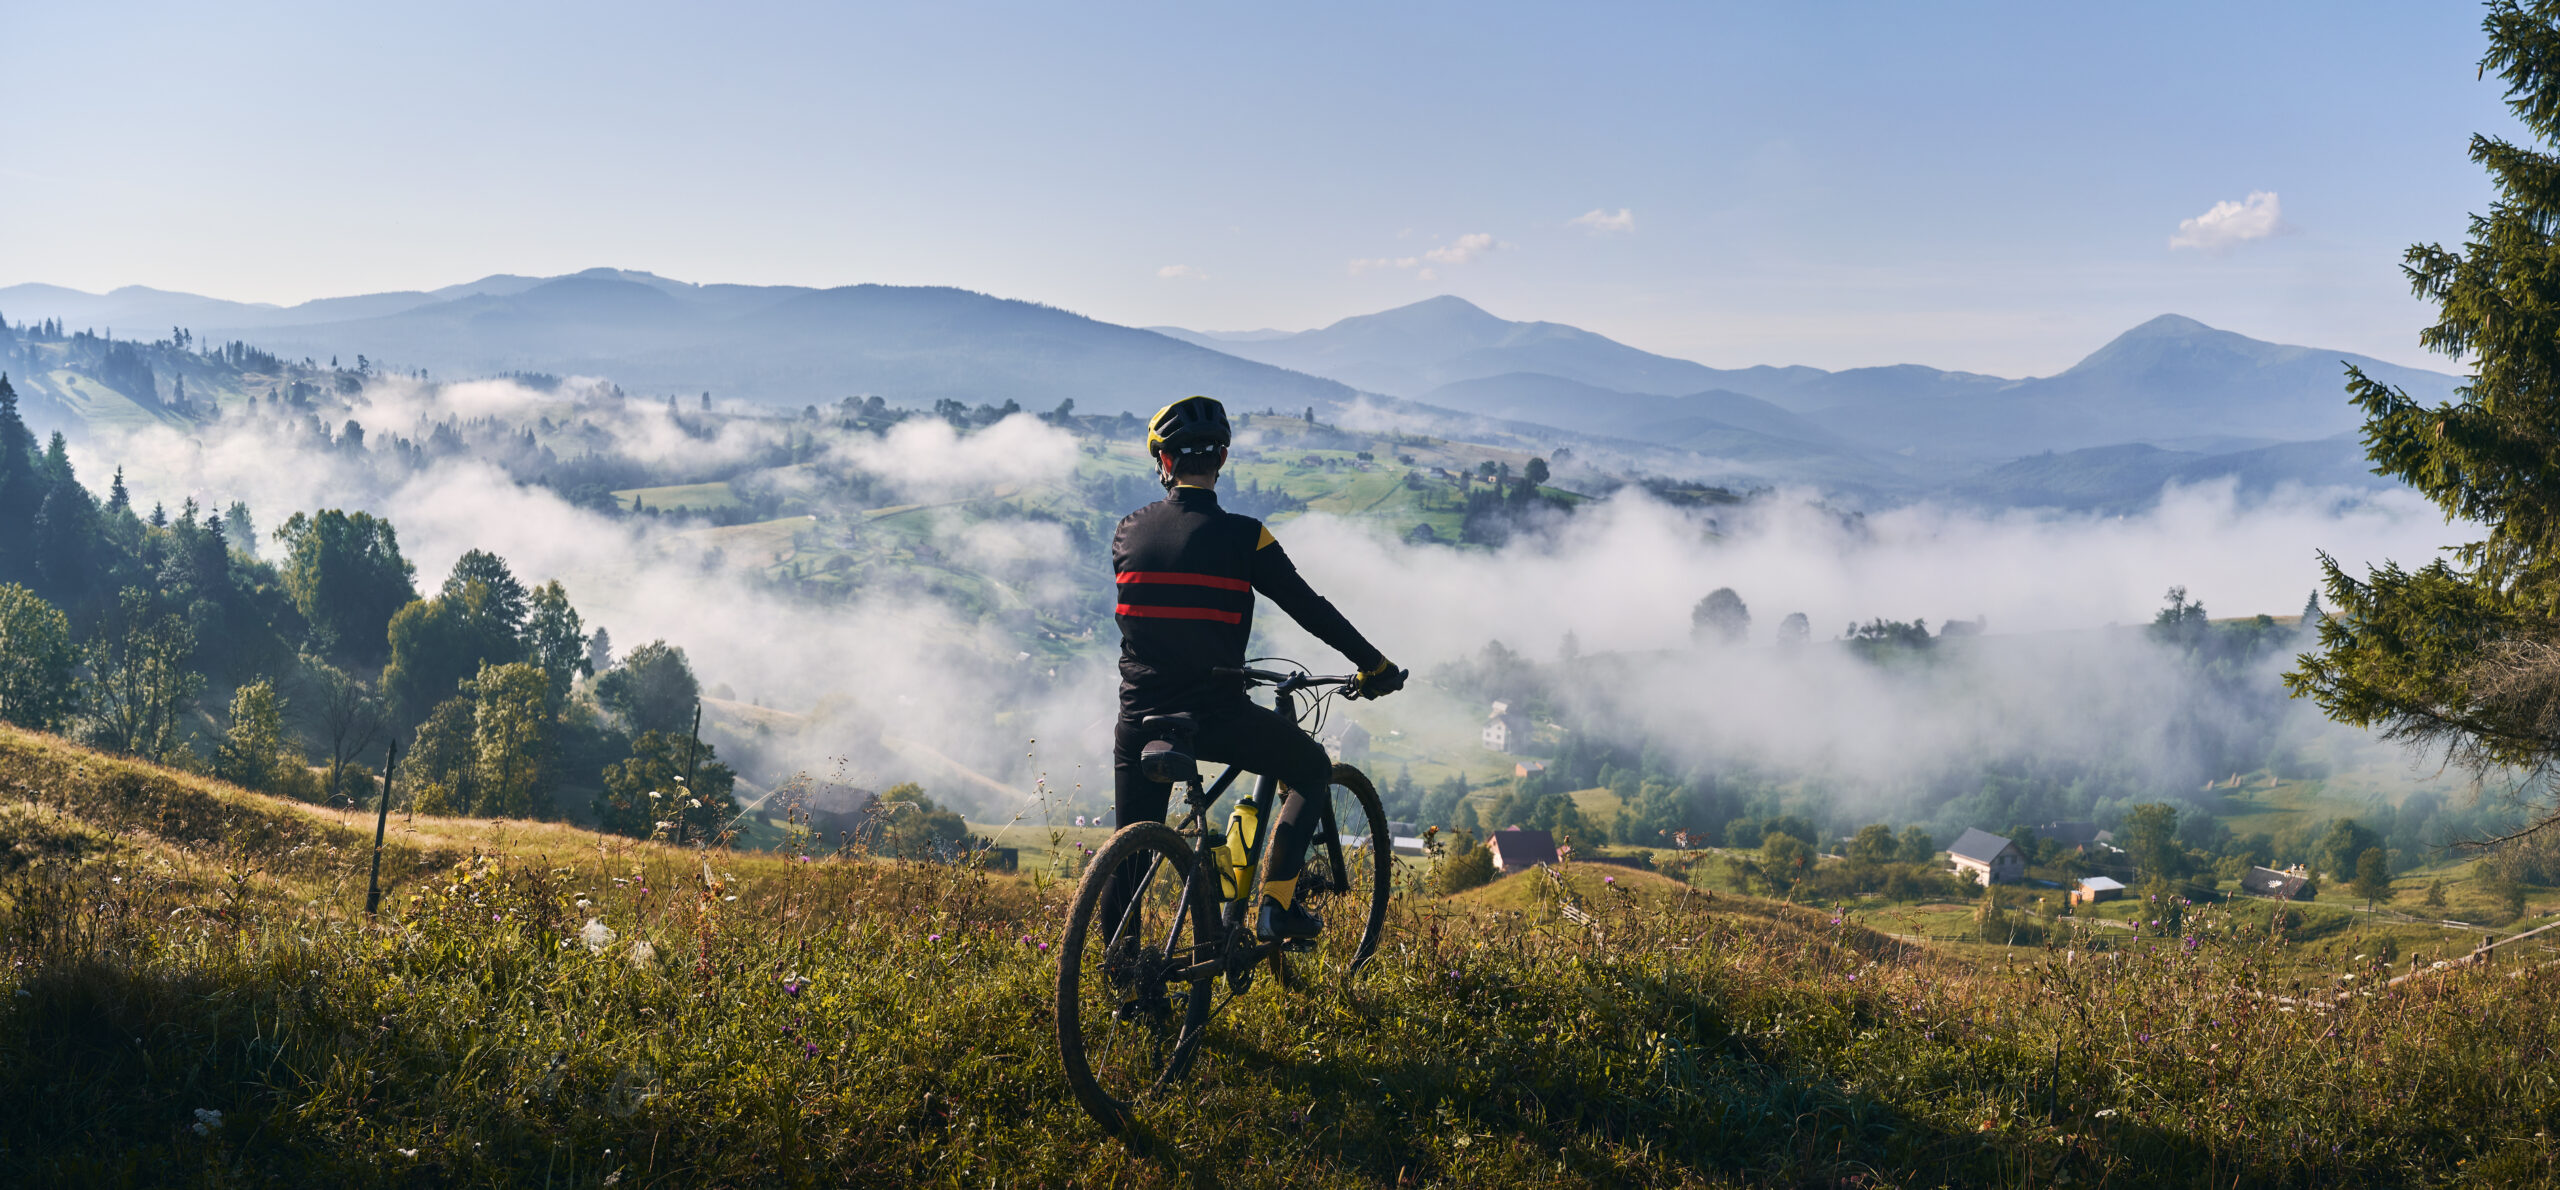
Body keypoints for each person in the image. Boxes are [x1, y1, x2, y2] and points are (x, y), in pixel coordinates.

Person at [1110, 395, 1405, 942]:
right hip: (1214, 715)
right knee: (1312, 767)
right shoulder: (1249, 537)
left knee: (1128, 851)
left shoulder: (1129, 530)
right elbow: (1311, 609)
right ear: (1221, 458)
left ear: (1164, 463)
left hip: (1140, 718)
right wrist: (1375, 665)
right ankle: (1277, 911)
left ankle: (1121, 978)